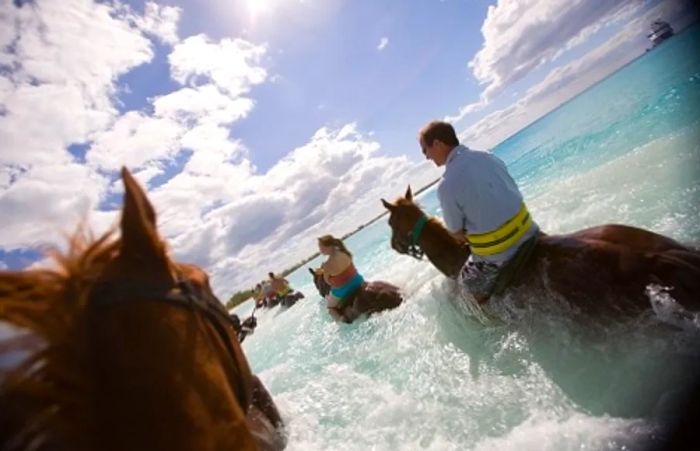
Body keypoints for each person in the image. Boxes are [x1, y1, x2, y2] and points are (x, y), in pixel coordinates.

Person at [418, 120, 539, 303]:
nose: (426, 157)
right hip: (530, 231)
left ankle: (500, 321)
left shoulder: (446, 184)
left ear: (437, 144)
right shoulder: (487, 156)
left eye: (425, 150)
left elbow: (456, 233)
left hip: (500, 255)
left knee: (466, 292)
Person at [317, 234, 364, 321]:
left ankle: (342, 323)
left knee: (330, 308)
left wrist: (324, 270)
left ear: (328, 247)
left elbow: (328, 282)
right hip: (358, 280)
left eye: (321, 247)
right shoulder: (344, 252)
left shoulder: (327, 265)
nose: (320, 250)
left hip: (342, 290)